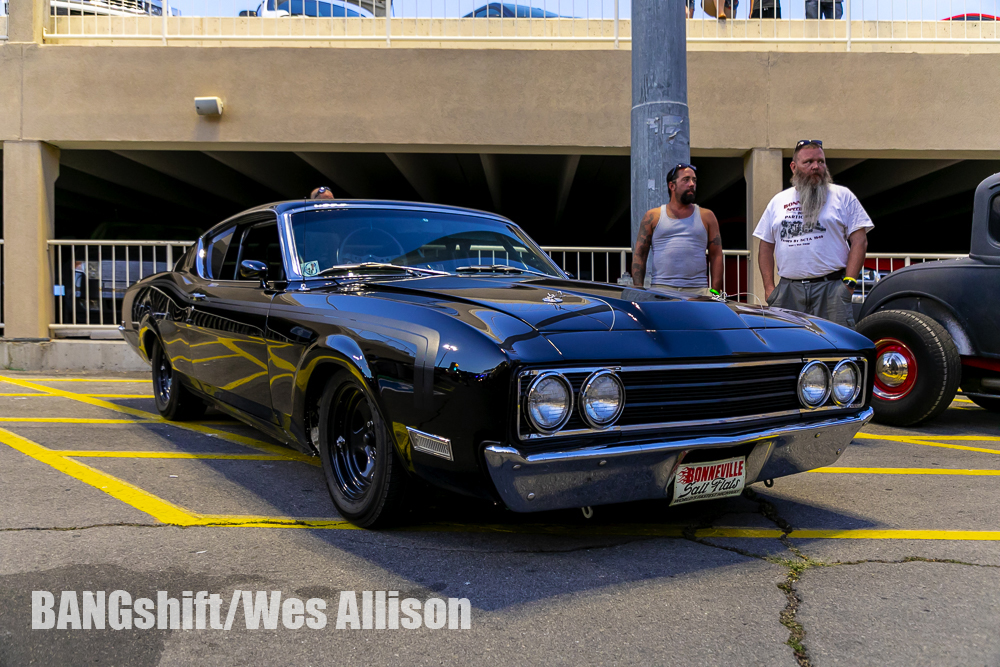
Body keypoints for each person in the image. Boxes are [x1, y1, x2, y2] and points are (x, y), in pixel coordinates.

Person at [753, 140, 873, 328]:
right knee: (787, 345)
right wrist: (769, 288)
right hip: (788, 291)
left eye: (821, 161)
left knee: (836, 346)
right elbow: (765, 246)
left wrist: (849, 284)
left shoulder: (843, 196)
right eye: (808, 162)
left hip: (832, 290)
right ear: (793, 167)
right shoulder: (778, 201)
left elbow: (859, 241)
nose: (816, 166)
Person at [632, 163, 724, 297]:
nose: (692, 184)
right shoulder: (653, 216)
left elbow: (716, 255)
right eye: (686, 180)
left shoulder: (707, 216)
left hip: (698, 290)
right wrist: (638, 289)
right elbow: (640, 253)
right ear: (672, 186)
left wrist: (715, 291)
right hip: (662, 289)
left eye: (694, 180)